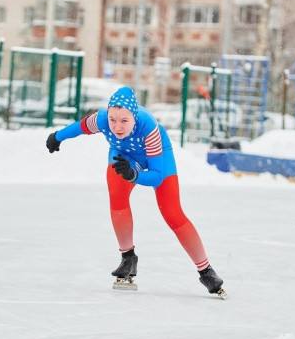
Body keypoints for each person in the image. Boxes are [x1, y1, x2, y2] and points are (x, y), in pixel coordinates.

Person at [45, 86, 226, 297]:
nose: (117, 127)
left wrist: (135, 176)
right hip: (125, 156)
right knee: (116, 187)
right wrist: (57, 136)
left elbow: (157, 175)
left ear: (135, 117)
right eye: (113, 120)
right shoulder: (102, 119)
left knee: (172, 213)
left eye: (124, 121)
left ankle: (206, 271)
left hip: (157, 159)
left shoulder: (149, 128)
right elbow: (80, 127)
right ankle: (128, 258)